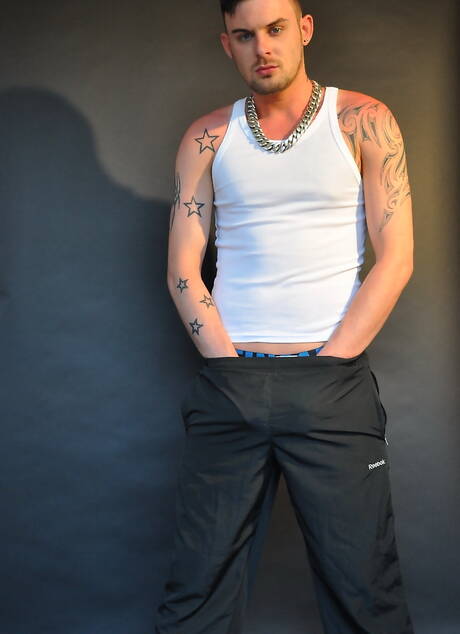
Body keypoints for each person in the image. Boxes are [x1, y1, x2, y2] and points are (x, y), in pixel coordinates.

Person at [157, 0, 415, 632]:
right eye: (244, 36)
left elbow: (396, 257)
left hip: (334, 384)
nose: (262, 47)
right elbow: (183, 267)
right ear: (227, 44)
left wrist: (333, 363)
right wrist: (226, 365)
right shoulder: (207, 136)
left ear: (304, 29)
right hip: (230, 381)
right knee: (197, 593)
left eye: (276, 29)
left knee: (365, 594)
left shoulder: (363, 120)